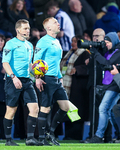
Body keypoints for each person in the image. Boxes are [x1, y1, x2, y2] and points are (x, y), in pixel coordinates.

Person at [2, 19, 42, 146]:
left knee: (35, 108)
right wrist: (13, 77)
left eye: (28, 28)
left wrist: (37, 74)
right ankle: (8, 140)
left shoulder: (29, 45)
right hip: (12, 80)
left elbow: (29, 64)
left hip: (27, 80)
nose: (28, 31)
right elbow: (5, 63)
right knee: (11, 110)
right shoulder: (10, 44)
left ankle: (30, 138)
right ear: (17, 30)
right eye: (25, 28)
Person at [85, 32, 120, 143]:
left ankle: (99, 136)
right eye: (106, 42)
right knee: (110, 111)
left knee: (102, 108)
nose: (107, 44)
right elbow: (102, 64)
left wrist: (95, 53)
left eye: (108, 42)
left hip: (115, 84)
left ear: (113, 41)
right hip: (109, 84)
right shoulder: (110, 51)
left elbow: (107, 62)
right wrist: (97, 50)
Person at [34, 17, 70, 146]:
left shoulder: (56, 41)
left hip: (56, 79)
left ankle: (50, 133)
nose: (58, 23)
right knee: (45, 108)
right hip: (46, 78)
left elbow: (56, 63)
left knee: (65, 107)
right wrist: (37, 78)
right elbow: (36, 61)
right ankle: (41, 138)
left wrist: (60, 77)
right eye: (55, 22)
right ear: (48, 27)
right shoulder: (43, 42)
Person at [60, 35, 90, 140]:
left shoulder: (85, 53)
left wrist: (78, 69)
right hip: (67, 87)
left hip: (78, 88)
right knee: (68, 112)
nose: (73, 43)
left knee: (77, 112)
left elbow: (88, 67)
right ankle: (68, 135)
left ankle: (75, 135)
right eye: (72, 41)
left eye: (76, 41)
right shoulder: (68, 53)